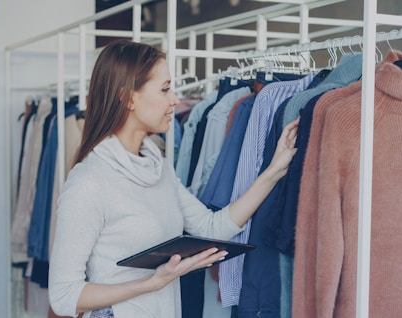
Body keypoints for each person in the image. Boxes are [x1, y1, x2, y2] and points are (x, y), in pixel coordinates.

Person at [48, 39, 299, 318]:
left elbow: (211, 228)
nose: (176, 100)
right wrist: (151, 282)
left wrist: (275, 169)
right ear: (128, 98)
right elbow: (63, 296)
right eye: (165, 89)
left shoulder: (159, 167)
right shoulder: (89, 182)